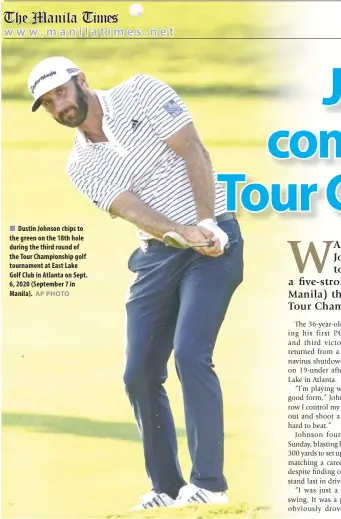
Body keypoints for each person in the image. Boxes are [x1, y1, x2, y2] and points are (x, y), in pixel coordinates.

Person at [28, 56, 244, 510]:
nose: (58, 106)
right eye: (48, 103)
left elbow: (193, 149)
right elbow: (132, 210)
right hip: (157, 256)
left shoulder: (140, 92)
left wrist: (204, 222)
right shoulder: (79, 166)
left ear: (81, 80)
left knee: (190, 352)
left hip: (216, 240)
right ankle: (166, 488)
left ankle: (209, 486)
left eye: (61, 92)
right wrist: (180, 233)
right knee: (140, 373)